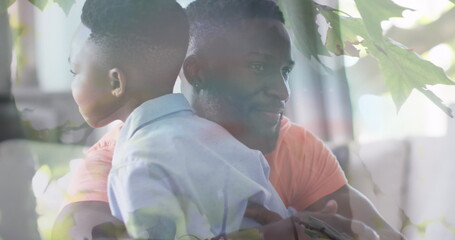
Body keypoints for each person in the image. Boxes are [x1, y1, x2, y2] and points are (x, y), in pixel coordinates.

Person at [53, 0, 399, 239]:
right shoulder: (121, 157)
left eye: (285, 71)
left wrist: (311, 229)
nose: (283, 92)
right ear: (197, 72)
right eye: (258, 66)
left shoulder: (293, 144)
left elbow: (381, 235)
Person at [61, 0, 298, 239]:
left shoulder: (137, 164)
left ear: (116, 83)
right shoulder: (231, 146)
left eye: (75, 71)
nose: (73, 84)